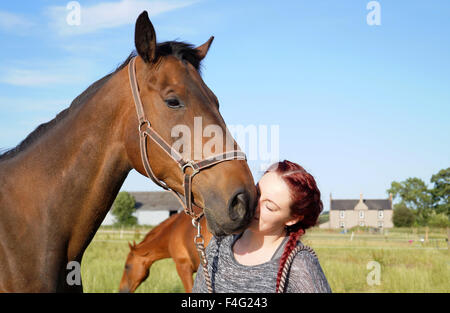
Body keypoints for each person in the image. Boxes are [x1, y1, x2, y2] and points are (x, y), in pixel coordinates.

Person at [192, 160, 331, 293]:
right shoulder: (219, 243)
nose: (254, 205)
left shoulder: (300, 265)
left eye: (269, 206)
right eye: (257, 193)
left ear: (292, 219)